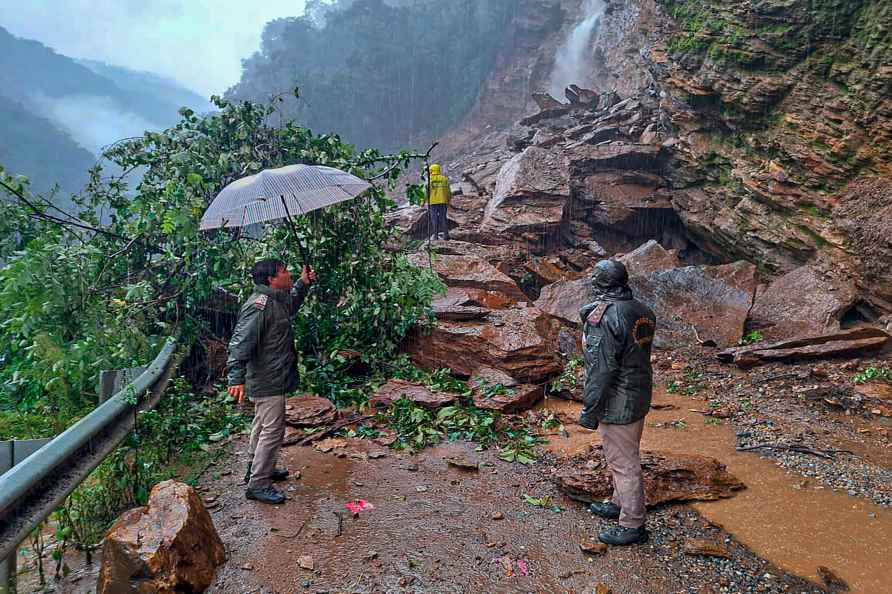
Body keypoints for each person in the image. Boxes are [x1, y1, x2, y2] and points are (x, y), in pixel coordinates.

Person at [578, 259, 656, 545]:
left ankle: (633, 524)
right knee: (623, 453)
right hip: (639, 391)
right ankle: (618, 502)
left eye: (595, 277)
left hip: (618, 399)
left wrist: (589, 408)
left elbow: (601, 369)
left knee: (624, 462)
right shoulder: (642, 310)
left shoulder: (606, 317)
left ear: (601, 283)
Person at [227, 258, 316, 504]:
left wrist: (303, 283)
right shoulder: (259, 306)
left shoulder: (276, 300)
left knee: (262, 425)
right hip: (267, 379)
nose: (288, 274)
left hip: (275, 374)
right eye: (284, 272)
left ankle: (255, 467)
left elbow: (292, 304)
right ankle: (258, 484)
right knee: (273, 432)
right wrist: (236, 377)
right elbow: (239, 343)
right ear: (271, 279)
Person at [427, 163, 451, 240]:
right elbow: (448, 191)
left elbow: (426, 192)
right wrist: (448, 199)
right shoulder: (444, 179)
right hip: (443, 201)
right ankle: (446, 235)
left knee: (434, 219)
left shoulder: (429, 180)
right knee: (443, 218)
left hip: (432, 202)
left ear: (431, 171)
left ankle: (435, 236)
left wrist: (422, 201)